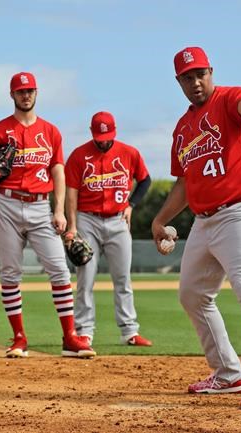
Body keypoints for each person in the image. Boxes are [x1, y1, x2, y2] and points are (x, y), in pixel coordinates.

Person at [151, 47, 241, 410]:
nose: (195, 82)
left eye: (200, 74)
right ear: (178, 81)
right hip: (205, 220)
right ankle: (228, 372)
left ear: (211, 71)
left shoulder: (228, 99)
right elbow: (183, 182)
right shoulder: (182, 129)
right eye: (187, 77)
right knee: (192, 294)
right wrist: (160, 219)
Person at [0, 72, 96, 358]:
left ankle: (70, 337)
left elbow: (58, 170)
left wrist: (59, 209)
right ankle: (19, 338)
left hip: (41, 205)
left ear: (36, 93)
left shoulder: (50, 131)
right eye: (20, 91)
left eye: (30, 91)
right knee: (11, 272)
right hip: (7, 203)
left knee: (60, 270)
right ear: (12, 95)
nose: (26, 95)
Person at [64, 111, 153, 347]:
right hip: (87, 220)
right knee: (86, 279)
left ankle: (129, 332)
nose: (103, 141)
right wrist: (71, 226)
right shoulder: (78, 156)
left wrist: (131, 205)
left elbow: (145, 180)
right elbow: (71, 193)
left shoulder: (129, 153)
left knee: (123, 279)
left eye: (107, 136)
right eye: (99, 137)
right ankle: (84, 331)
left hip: (118, 221)